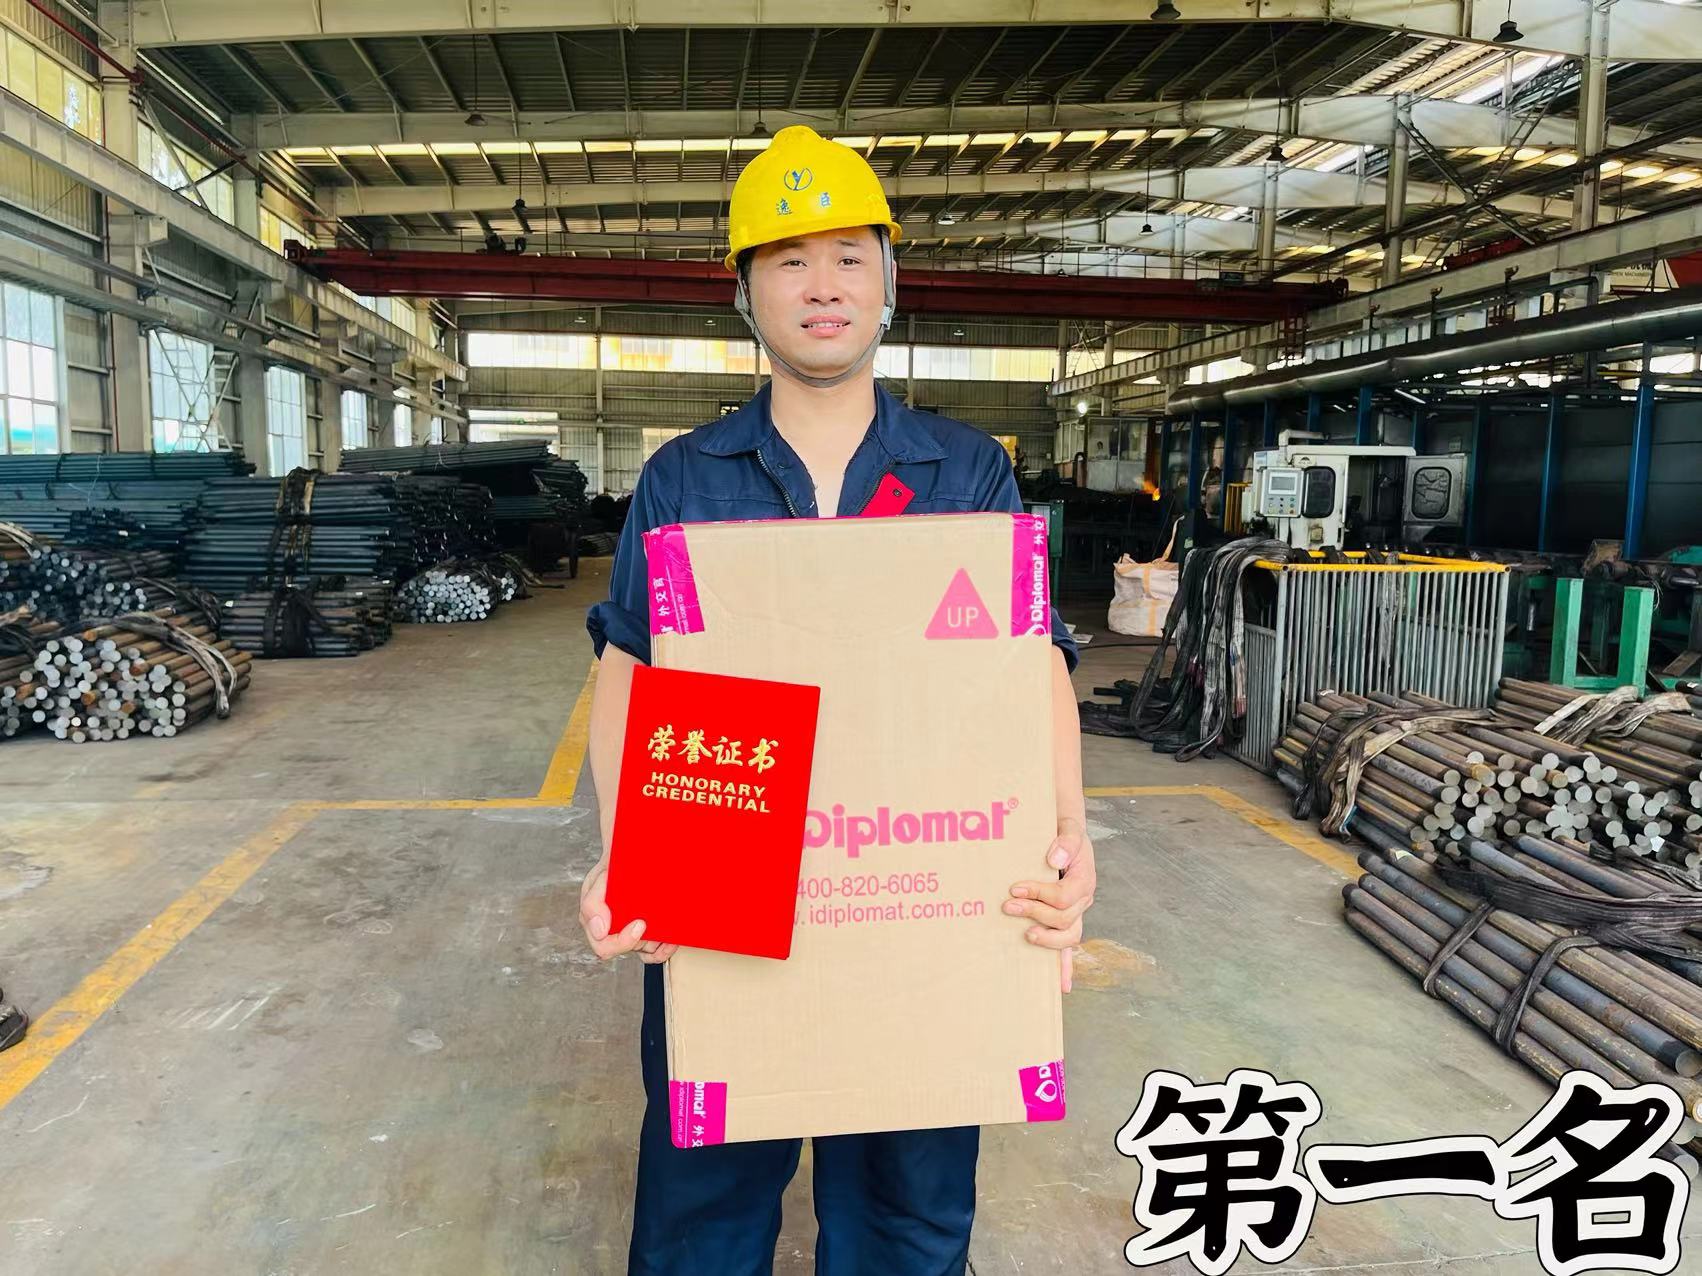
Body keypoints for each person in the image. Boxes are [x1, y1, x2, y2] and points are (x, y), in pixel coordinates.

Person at [579, 125, 1096, 1276]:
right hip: (722, 855)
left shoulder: (966, 468)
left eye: (849, 257)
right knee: (701, 1214)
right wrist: (623, 856)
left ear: (888, 283)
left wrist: (1068, 833)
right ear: (746, 294)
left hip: (916, 869)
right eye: (789, 259)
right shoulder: (682, 476)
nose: (823, 285)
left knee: (909, 1208)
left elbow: (1030, 661)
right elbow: (631, 667)